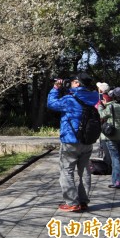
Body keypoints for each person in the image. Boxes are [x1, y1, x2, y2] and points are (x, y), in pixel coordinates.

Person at [47, 72, 99, 212]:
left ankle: (72, 202)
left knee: (67, 171)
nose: (70, 83)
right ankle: (83, 201)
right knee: (85, 171)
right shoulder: (94, 97)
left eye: (72, 82)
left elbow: (51, 104)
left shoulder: (69, 100)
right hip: (87, 140)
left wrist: (55, 88)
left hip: (71, 140)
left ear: (77, 83)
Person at [98, 87, 120, 189]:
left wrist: (100, 106)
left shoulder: (112, 106)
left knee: (115, 159)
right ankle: (116, 180)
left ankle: (118, 182)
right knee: (118, 158)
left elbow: (102, 114)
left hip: (112, 136)